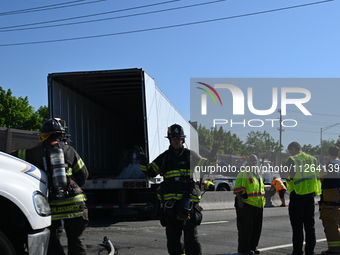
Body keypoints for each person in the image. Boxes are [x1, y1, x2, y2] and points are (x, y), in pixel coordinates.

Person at [11, 118, 89, 255]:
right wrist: (72, 186)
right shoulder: (70, 150)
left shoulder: (34, 152)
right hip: (75, 203)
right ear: (61, 134)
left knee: (52, 240)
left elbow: (16, 158)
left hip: (53, 206)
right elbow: (84, 174)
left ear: (44, 134)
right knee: (76, 239)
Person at [140, 124, 211, 255]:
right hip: (170, 205)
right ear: (170, 140)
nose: (176, 141)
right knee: (173, 239)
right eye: (174, 138)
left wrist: (212, 159)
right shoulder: (164, 157)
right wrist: (143, 163)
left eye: (179, 138)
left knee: (191, 238)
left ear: (183, 140)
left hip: (188, 203)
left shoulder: (191, 155)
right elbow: (150, 172)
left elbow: (205, 165)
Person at [281, 141, 321, 255]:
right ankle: (310, 251)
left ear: (293, 149)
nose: (290, 154)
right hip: (310, 196)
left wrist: (282, 168)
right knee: (310, 225)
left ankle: (298, 251)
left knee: (297, 226)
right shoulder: (313, 159)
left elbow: (285, 176)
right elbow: (324, 172)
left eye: (290, 152)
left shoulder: (292, 160)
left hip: (297, 196)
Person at [233, 154, 265, 255]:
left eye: (255, 160)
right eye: (252, 160)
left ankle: (253, 247)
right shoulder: (244, 173)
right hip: (246, 204)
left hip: (258, 205)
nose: (254, 162)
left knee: (256, 228)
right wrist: (239, 201)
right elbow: (237, 189)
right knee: (245, 228)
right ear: (248, 161)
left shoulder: (259, 174)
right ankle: (244, 249)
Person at [319, 145, 340, 255]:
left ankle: (334, 249)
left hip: (331, 197)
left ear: (329, 154)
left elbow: (320, 176)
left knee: (331, 221)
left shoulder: (329, 165)